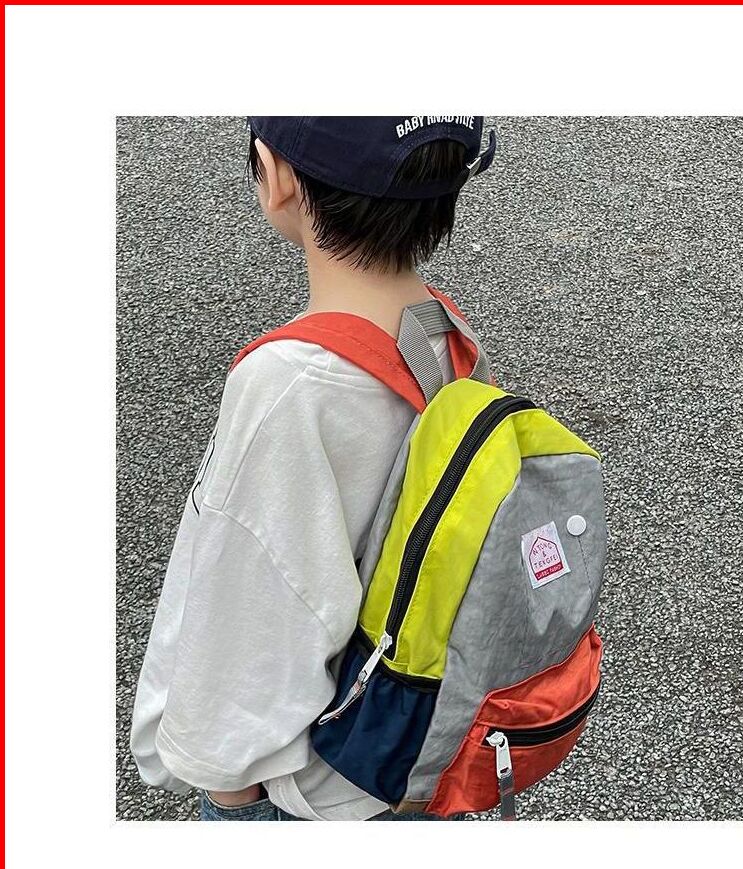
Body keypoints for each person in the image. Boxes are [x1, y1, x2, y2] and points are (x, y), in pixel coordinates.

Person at [130, 116, 495, 820]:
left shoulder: (289, 385)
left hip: (304, 788)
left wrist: (227, 791)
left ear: (275, 177)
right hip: (403, 751)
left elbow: (246, 614)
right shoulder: (442, 331)